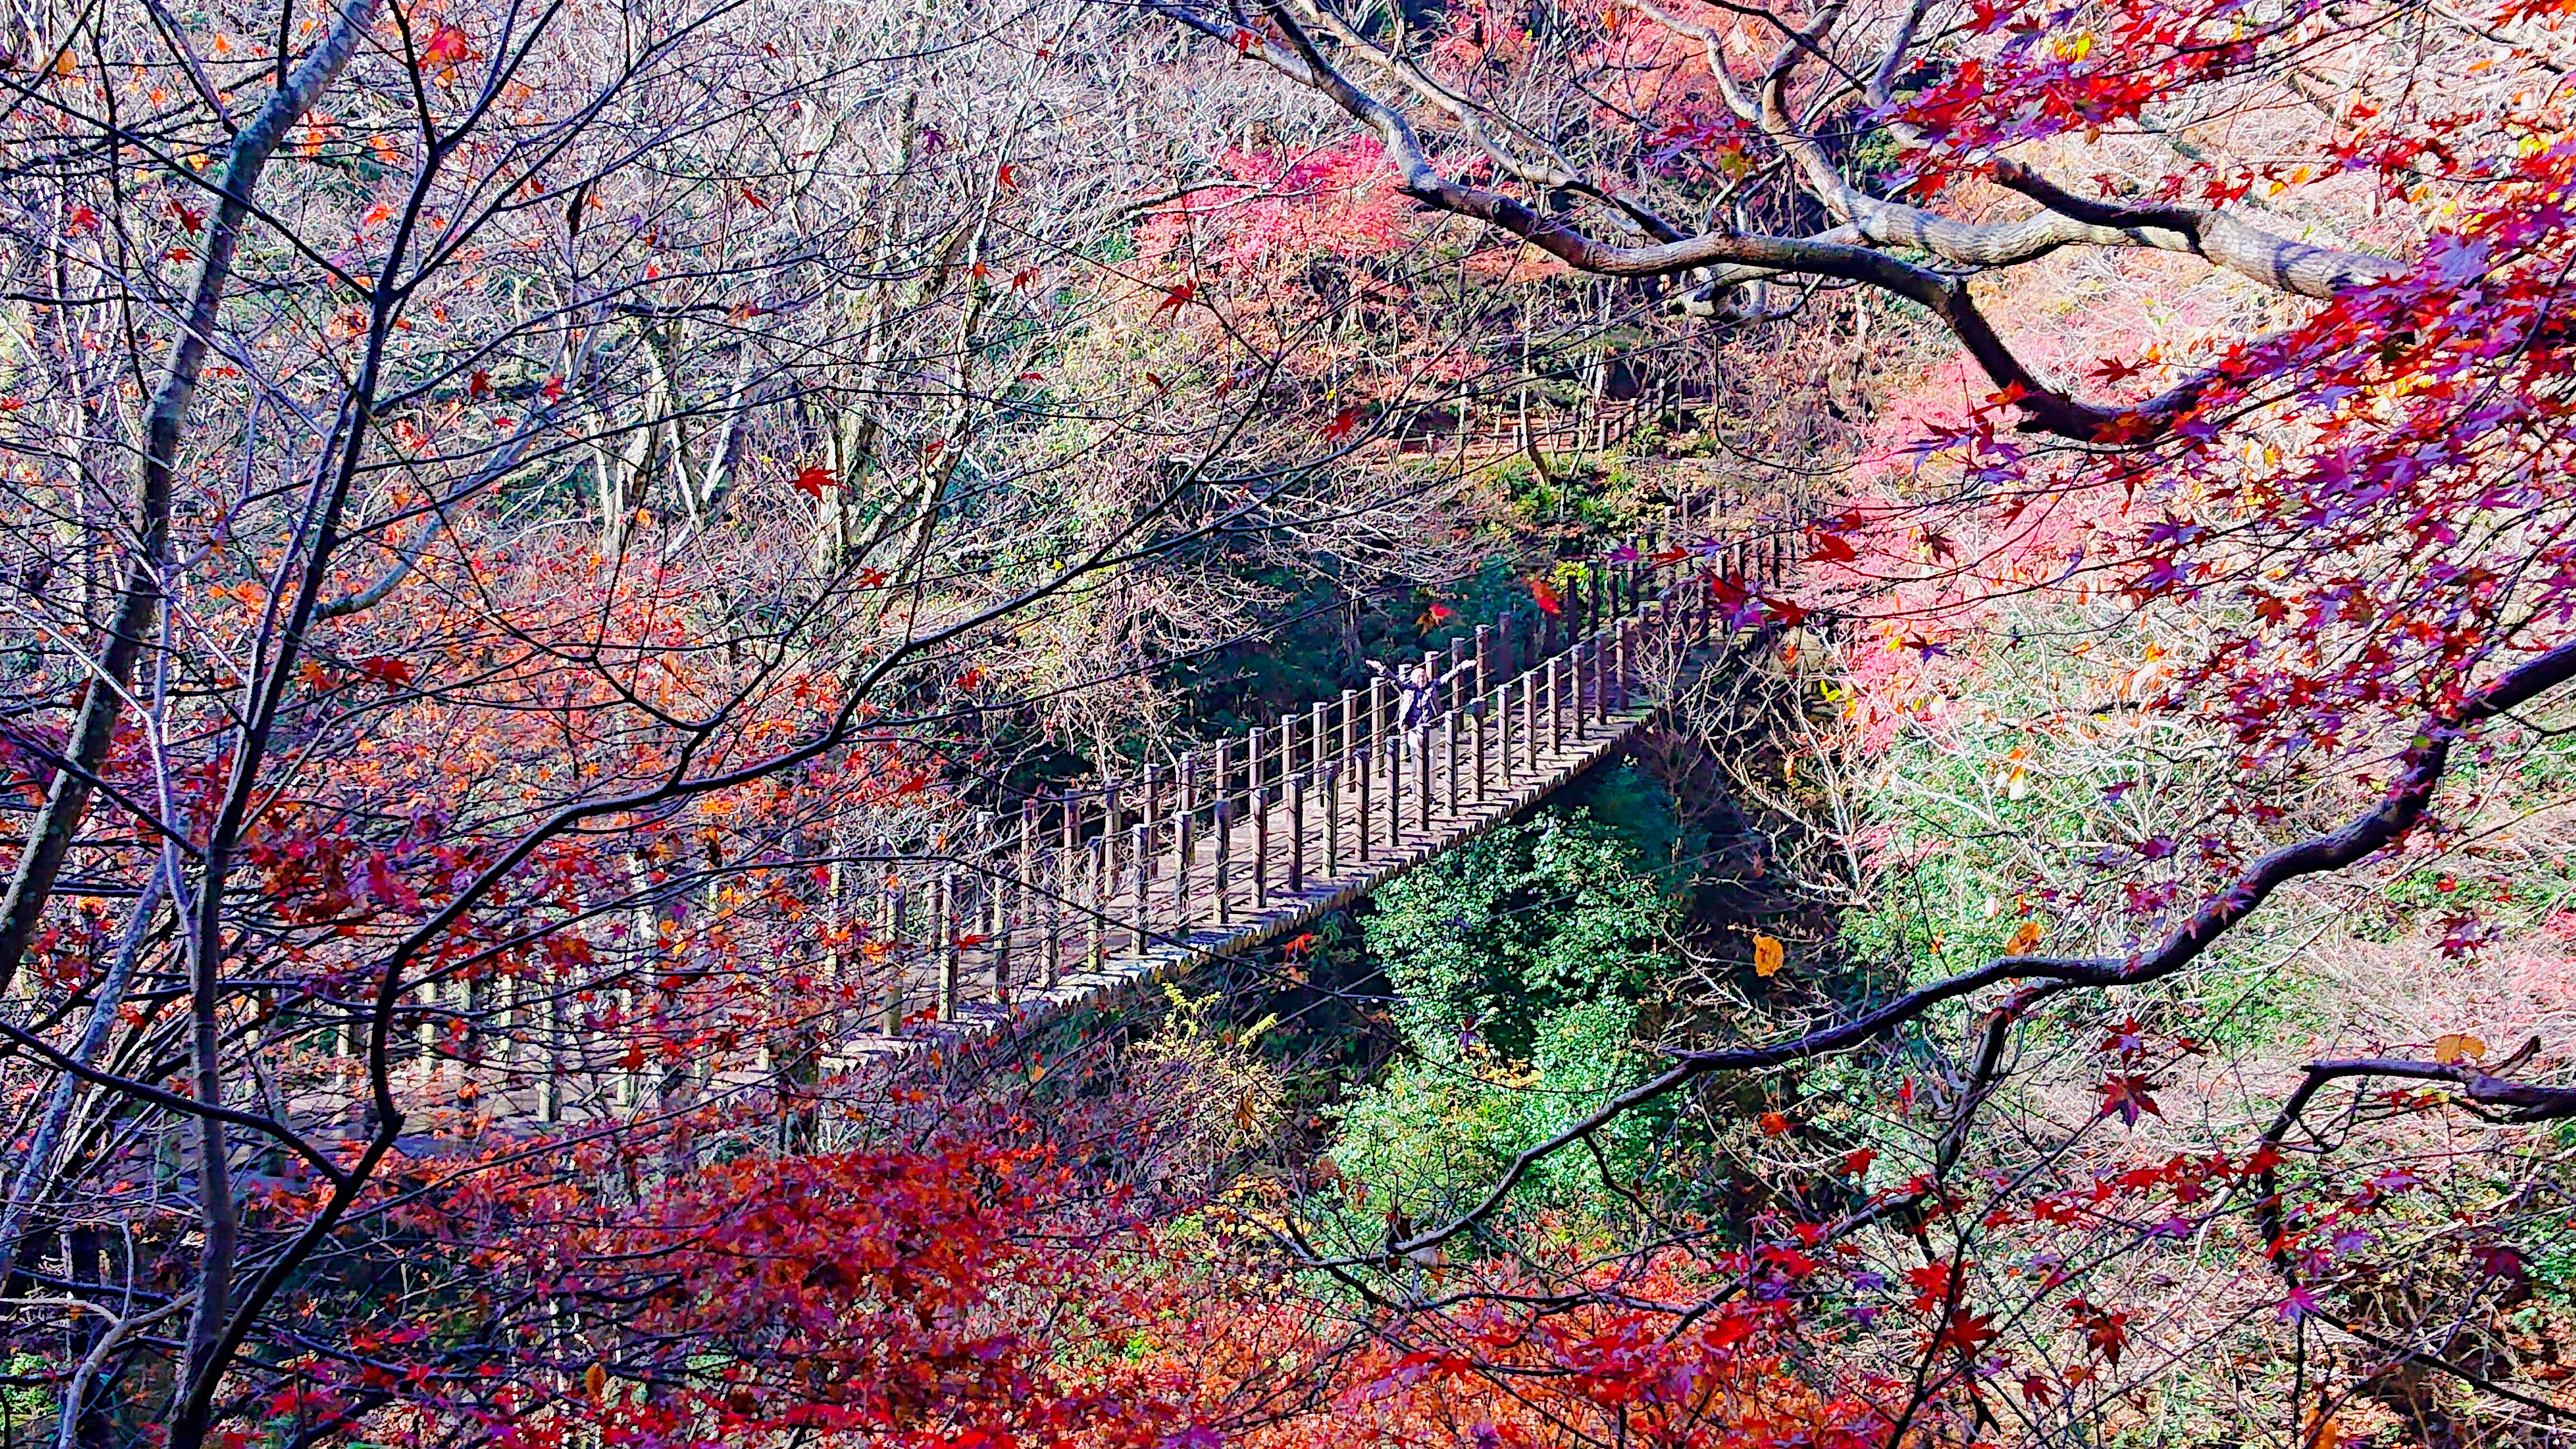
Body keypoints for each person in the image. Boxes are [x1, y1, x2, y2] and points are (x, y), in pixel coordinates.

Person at [1366, 654, 1472, 758]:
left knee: (1432, 756)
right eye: (1419, 677)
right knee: (1416, 756)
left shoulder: (1433, 686)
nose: (1422, 680)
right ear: (1413, 679)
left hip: (1432, 727)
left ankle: (1431, 776)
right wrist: (1381, 668)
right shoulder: (1407, 689)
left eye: (1423, 676)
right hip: (1414, 728)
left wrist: (1461, 667)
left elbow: (1448, 677)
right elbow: (1393, 679)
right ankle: (1415, 776)